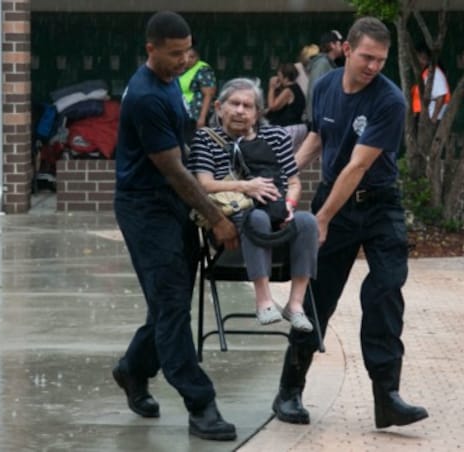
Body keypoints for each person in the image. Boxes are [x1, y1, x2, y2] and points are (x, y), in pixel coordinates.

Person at [272, 16, 429, 429]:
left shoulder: (389, 100)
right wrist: (284, 173)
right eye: (366, 57)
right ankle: (290, 390)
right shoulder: (324, 87)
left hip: (379, 204)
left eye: (381, 59)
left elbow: (358, 166)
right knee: (316, 295)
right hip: (333, 199)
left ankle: (387, 396)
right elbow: (318, 138)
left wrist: (321, 219)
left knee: (385, 290)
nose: (374, 66)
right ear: (347, 51)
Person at [111, 10, 239, 442]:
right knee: (170, 305)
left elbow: (186, 148)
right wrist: (218, 219)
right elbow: (174, 171)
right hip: (146, 208)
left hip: (170, 204)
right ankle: (201, 404)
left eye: (187, 51)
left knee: (171, 302)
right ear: (151, 50)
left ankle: (133, 368)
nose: (185, 60)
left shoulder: (169, 83)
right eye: (175, 54)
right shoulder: (146, 96)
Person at [188, 77, 319, 333]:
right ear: (218, 107)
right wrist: (246, 187)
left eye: (247, 106)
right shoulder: (205, 139)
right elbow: (202, 184)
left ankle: (295, 304)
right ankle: (264, 300)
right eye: (234, 104)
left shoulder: (276, 136)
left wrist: (290, 205)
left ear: (257, 113)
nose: (240, 110)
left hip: (276, 223)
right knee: (255, 218)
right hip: (230, 230)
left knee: (307, 222)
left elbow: (293, 182)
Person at [304, 29, 344, 126]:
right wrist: (315, 117)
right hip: (319, 119)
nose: (342, 46)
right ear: (332, 45)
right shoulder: (322, 63)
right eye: (340, 43)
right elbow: (314, 90)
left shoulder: (329, 64)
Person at [265, 63, 307, 151]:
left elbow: (273, 106)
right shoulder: (296, 88)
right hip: (298, 126)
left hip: (289, 127)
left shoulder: (288, 91)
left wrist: (271, 88)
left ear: (286, 77)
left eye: (279, 75)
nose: (278, 78)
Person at [179, 44, 216, 130]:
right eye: (186, 56)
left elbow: (209, 95)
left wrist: (202, 118)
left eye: (192, 57)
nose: (188, 60)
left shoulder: (202, 69)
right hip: (184, 114)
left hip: (196, 115)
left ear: (198, 57)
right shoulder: (181, 69)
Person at [411, 42, 450, 124]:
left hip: (430, 118)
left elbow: (440, 97)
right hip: (423, 117)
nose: (419, 60)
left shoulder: (434, 73)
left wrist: (433, 119)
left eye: (422, 58)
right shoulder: (424, 73)